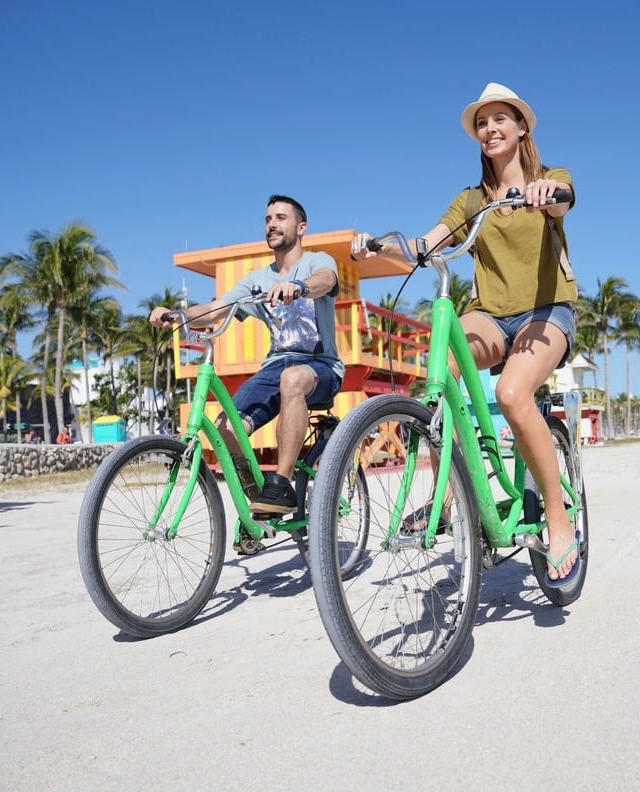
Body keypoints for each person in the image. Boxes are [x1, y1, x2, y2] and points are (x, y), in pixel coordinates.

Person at [351, 83, 579, 587]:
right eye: (482, 122)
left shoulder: (550, 179)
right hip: (492, 315)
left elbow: (562, 201)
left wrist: (546, 196)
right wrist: (378, 248)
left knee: (512, 392)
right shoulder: (471, 200)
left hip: (548, 310)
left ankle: (560, 526)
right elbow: (423, 245)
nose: (490, 128)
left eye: (501, 119)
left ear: (521, 128)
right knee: (440, 378)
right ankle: (449, 494)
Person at [150, 194, 344, 516]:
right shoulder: (257, 281)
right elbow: (215, 309)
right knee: (226, 427)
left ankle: (281, 485)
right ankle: (256, 500)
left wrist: (299, 286)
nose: (272, 224)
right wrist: (177, 314)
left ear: (301, 227)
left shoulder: (317, 262)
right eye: (268, 219)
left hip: (320, 366)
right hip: (274, 367)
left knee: (292, 377)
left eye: (281, 218)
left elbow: (326, 281)